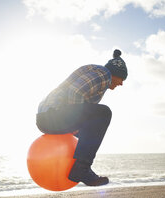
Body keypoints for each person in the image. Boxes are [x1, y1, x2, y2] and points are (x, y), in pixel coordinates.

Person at [36, 49, 128, 186]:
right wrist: (76, 120)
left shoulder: (98, 75)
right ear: (115, 73)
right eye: (121, 79)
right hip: (53, 116)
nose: (121, 83)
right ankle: (82, 168)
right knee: (104, 113)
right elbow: (75, 92)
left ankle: (77, 168)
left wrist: (76, 125)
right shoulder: (104, 74)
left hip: (47, 118)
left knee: (93, 130)